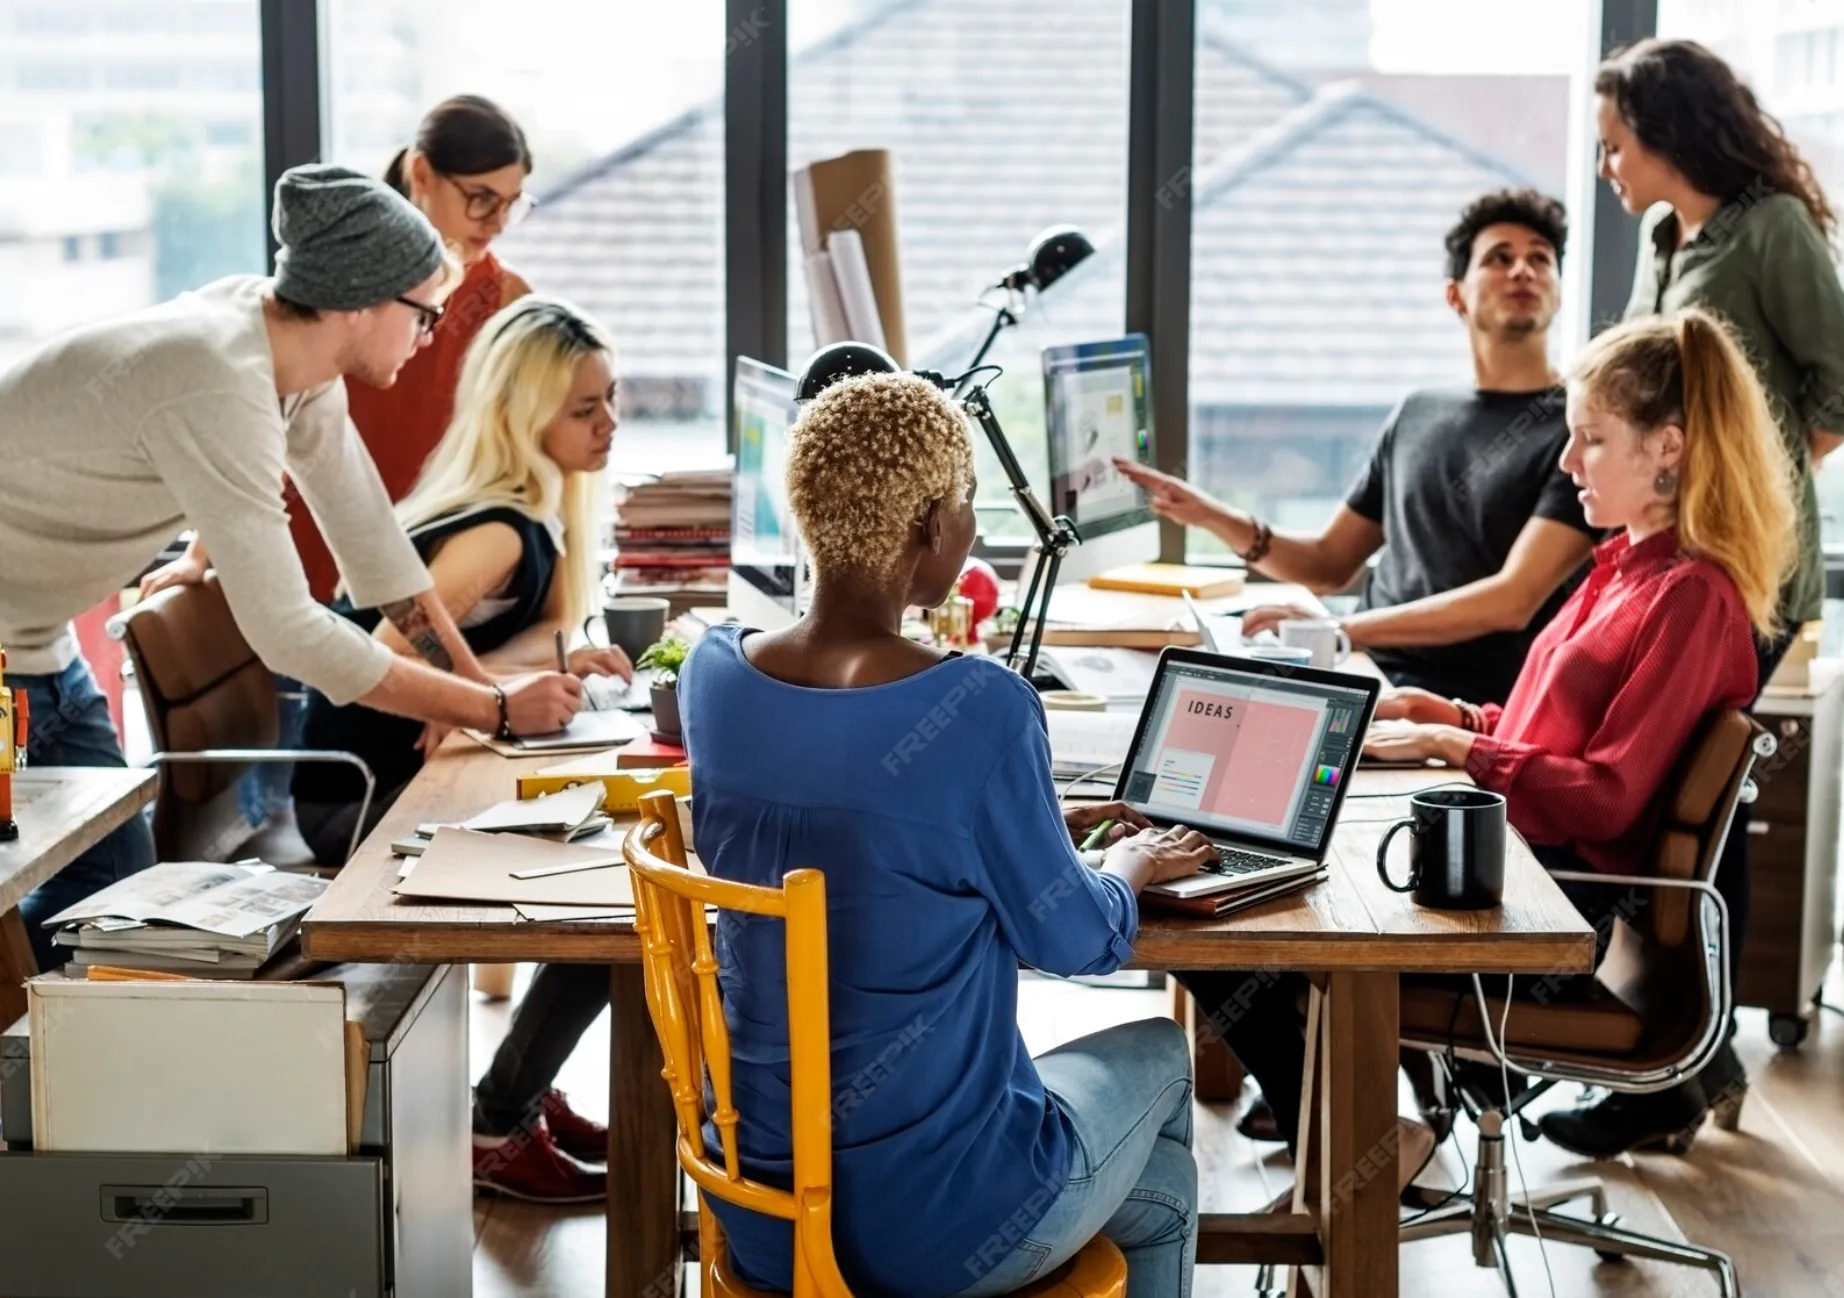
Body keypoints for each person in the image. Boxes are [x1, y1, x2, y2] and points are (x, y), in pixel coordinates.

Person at [1181, 307, 1797, 1164]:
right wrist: (1453, 715)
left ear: (1669, 447)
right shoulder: (1623, 565)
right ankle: (1356, 1133)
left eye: (1590, 439)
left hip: (1549, 915)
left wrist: (1462, 751)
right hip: (1515, 872)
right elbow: (1555, 732)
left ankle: (1360, 1144)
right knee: (1242, 876)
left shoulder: (1689, 596)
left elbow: (1610, 795)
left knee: (1217, 923)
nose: (1567, 461)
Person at [679, 372, 1213, 1297]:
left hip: (764, 1211)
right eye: (967, 505)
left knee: (1162, 1192)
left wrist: (1026, 821)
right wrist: (1125, 861)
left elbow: (853, 820)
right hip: (931, 1226)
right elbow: (1073, 939)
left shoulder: (712, 676)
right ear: (931, 526)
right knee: (1164, 1055)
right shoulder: (980, 708)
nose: (971, 529)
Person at [0, 164, 582, 971]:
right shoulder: (216, 378)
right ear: (356, 303)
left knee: (104, 924)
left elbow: (375, 549)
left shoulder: (290, 361)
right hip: (12, 665)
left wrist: (473, 693)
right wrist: (493, 710)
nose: (429, 335)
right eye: (423, 314)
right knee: (107, 935)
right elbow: (290, 635)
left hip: (36, 653)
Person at [287, 296, 629, 1203]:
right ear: (526, 417)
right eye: (584, 408)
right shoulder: (496, 527)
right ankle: (494, 1119)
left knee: (600, 870)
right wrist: (492, 706)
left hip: (398, 780)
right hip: (361, 800)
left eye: (611, 399)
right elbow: (386, 657)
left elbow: (468, 641)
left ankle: (511, 1098)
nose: (610, 423)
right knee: (601, 899)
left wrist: (551, 661)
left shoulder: (527, 512)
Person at [1569, 35, 1844, 1153]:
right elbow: (1649, 364)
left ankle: (1676, 1058)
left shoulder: (1769, 228)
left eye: (1614, 144)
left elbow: (1838, 379)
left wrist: (1747, 489)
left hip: (1745, 555)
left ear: (1663, 133)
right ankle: (1690, 1053)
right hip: (1672, 544)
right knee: (1660, 789)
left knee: (1699, 789)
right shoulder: (1655, 231)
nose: (1606, 168)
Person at [138, 96, 538, 851]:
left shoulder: (492, 303)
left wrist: (471, 693)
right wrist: (203, 549)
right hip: (305, 575)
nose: (493, 221)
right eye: (479, 196)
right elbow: (253, 427)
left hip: (393, 560)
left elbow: (391, 529)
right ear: (422, 175)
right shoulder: (337, 297)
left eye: (512, 204)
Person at [1115, 188, 1597, 706]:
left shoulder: (1581, 430)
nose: (1523, 270)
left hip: (1464, 706)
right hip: (1365, 673)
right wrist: (1213, 515)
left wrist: (1339, 629)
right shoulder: (1419, 412)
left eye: (1540, 259)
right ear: (1455, 294)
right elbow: (1328, 565)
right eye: (1499, 258)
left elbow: (1514, 600)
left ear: (1559, 291)